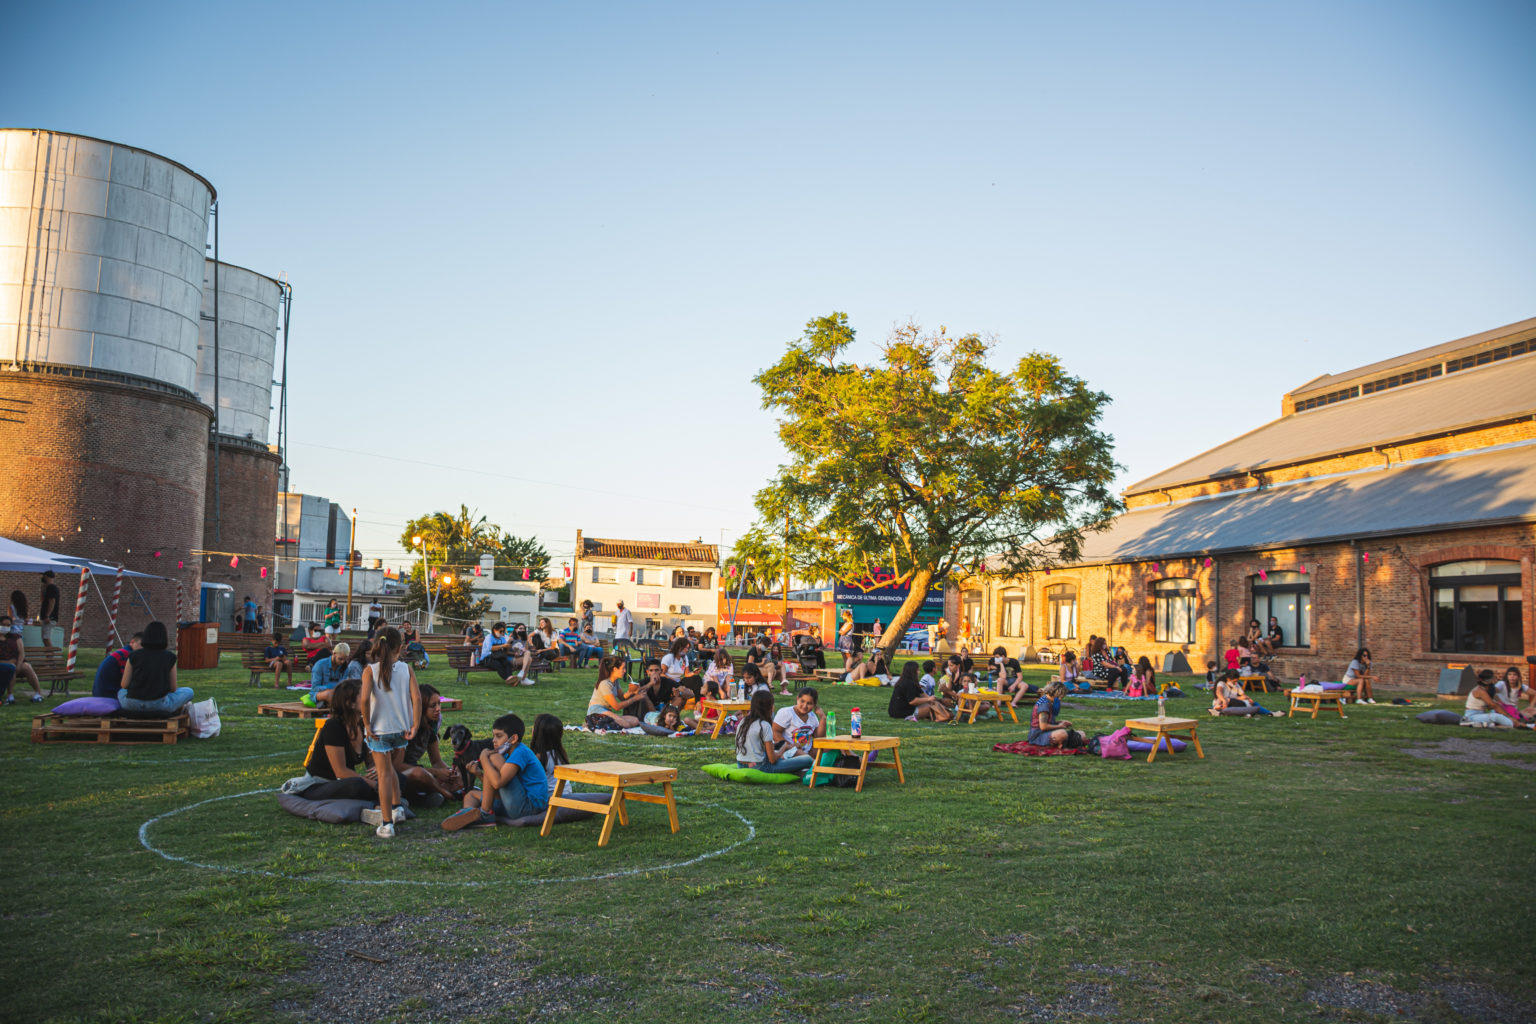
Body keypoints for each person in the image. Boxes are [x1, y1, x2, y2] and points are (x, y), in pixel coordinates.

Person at [358, 627, 421, 838]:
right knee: (391, 769)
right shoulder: (407, 669)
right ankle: (397, 806)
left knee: (384, 774)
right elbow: (417, 698)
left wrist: (366, 724)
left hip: (379, 730)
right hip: (401, 729)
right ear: (400, 647)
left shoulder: (370, 670)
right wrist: (415, 724)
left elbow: (364, 700)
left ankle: (387, 823)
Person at [443, 712, 549, 829]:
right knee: (470, 795)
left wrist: (484, 758)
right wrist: (479, 774)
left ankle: (485, 814)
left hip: (530, 807)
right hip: (514, 802)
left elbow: (498, 783)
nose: (494, 740)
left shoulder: (520, 752)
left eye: (499, 736)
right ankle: (468, 815)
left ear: (513, 739)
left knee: (493, 758)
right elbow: (494, 787)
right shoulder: (506, 754)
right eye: (493, 736)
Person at [296, 679, 376, 801]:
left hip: (344, 782)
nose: (369, 698)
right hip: (321, 784)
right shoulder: (333, 726)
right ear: (350, 703)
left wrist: (378, 771)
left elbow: (371, 763)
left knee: (396, 778)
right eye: (364, 695)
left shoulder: (362, 725)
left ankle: (385, 799)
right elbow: (341, 772)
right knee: (358, 785)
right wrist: (374, 785)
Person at [118, 620, 195, 715]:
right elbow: (173, 688)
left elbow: (124, 685)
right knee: (189, 691)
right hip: (159, 705)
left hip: (132, 704)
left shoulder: (133, 655)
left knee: (121, 691)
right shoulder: (170, 657)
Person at [400, 683, 458, 802]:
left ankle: (432, 794)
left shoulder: (429, 728)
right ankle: (444, 793)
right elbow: (397, 766)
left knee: (460, 775)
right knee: (420, 774)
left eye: (439, 704)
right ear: (421, 707)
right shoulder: (406, 728)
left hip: (418, 771)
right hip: (401, 774)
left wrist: (450, 773)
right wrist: (436, 772)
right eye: (433, 705)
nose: (438, 709)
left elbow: (436, 761)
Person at [735, 691, 812, 775]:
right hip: (761, 767)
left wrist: (782, 746)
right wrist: (784, 748)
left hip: (741, 765)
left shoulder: (743, 721)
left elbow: (758, 746)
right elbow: (772, 760)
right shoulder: (764, 725)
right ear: (770, 707)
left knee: (779, 749)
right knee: (808, 759)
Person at [586, 655, 645, 731]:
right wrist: (635, 699)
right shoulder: (605, 684)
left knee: (635, 720)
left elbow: (622, 697)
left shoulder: (615, 681)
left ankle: (606, 723)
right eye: (623, 668)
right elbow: (616, 707)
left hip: (607, 712)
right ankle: (593, 723)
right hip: (597, 711)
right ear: (614, 669)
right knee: (626, 724)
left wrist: (632, 692)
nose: (625, 671)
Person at [0, 614, 45, 703]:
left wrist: (19, 664)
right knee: (11, 667)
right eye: (3, 625)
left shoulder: (15, 637)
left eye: (8, 625)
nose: (6, 627)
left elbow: (21, 652)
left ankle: (38, 694)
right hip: (4, 665)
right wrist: (8, 662)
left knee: (27, 666)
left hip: (17, 663)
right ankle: (10, 695)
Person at [774, 686, 826, 759]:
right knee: (805, 757)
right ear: (797, 699)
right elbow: (775, 732)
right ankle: (813, 762)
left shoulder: (812, 716)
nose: (805, 706)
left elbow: (819, 737)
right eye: (802, 701)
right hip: (789, 752)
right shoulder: (786, 712)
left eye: (809, 703)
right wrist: (789, 746)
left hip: (807, 752)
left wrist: (823, 718)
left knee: (834, 748)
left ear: (814, 705)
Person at [91, 631, 142, 700]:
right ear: (132, 642)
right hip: (108, 695)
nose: (143, 648)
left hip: (100, 693)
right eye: (141, 645)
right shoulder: (127, 655)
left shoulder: (122, 652)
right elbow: (128, 682)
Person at [480, 621, 532, 685]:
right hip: (487, 658)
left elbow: (506, 649)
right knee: (498, 665)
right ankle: (508, 679)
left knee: (507, 663)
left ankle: (511, 678)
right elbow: (489, 648)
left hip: (498, 657)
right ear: (494, 630)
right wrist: (502, 646)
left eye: (503, 631)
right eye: (500, 631)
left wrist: (510, 647)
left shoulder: (502, 638)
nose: (502, 633)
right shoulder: (489, 637)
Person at [306, 641, 353, 707]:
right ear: (334, 653)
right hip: (318, 694)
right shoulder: (320, 665)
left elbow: (343, 684)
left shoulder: (344, 666)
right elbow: (315, 688)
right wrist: (330, 688)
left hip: (337, 693)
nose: (342, 662)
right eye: (340, 659)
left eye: (345, 659)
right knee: (329, 694)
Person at [1027, 681, 1073, 748]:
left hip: (1046, 732)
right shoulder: (1044, 706)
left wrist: (1060, 722)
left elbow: (1047, 721)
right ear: (1056, 693)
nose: (1060, 699)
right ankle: (1061, 743)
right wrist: (1059, 726)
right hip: (1038, 736)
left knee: (1081, 734)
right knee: (1062, 733)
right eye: (1061, 696)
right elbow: (1043, 727)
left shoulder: (1048, 701)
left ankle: (1063, 742)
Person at [38, 570, 61, 648]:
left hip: (50, 617)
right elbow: (42, 600)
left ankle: (51, 654)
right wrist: (42, 589)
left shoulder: (51, 587)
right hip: (48, 616)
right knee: (44, 637)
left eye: (44, 577)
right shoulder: (48, 588)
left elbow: (52, 602)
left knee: (46, 638)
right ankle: (49, 653)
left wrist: (48, 615)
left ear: (47, 577)